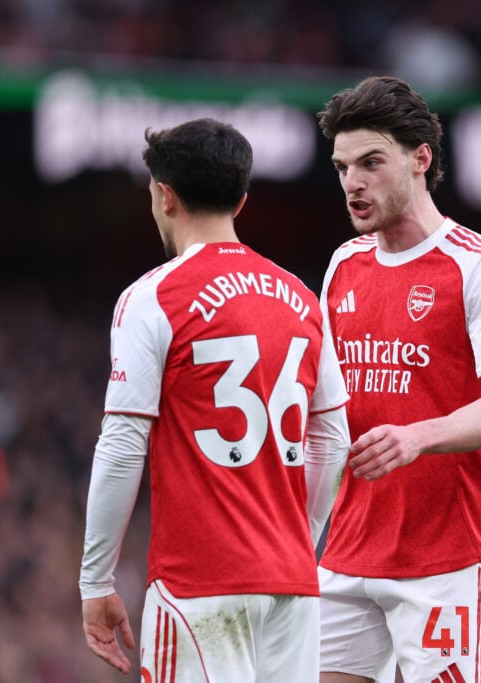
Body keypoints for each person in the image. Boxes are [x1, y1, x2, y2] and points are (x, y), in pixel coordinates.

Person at [78, 118, 350, 681]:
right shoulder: (303, 300)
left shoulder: (151, 299)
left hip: (200, 586)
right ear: (242, 201)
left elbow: (124, 444)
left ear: (164, 195)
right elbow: (333, 438)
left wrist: (95, 580)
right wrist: (298, 533)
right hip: (293, 588)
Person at [315, 76, 481, 683]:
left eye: (370, 163)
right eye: (341, 167)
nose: (352, 183)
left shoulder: (477, 265)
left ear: (420, 159)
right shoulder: (344, 265)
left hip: (446, 562)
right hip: (347, 553)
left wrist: (417, 437)